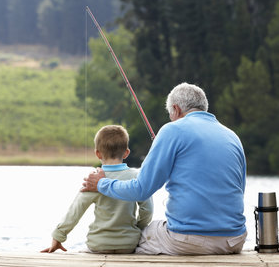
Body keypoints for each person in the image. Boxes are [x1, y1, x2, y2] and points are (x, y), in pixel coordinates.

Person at [82, 82, 247, 255]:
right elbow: (239, 190)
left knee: (138, 238)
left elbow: (140, 190)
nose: (171, 119)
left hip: (189, 241)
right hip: (234, 240)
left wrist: (102, 184)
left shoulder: (172, 130)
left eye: (170, 115)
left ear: (175, 109)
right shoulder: (232, 136)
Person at [42, 125, 153, 254]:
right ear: (126, 152)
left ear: (97, 153)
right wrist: (137, 229)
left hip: (99, 244)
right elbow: (148, 210)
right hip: (129, 244)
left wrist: (58, 236)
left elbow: (76, 210)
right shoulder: (136, 176)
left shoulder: (94, 179)